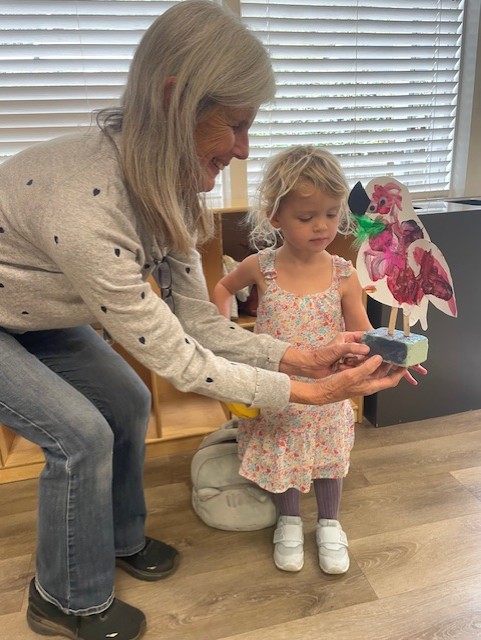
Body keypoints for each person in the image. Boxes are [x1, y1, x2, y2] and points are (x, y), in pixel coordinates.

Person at [0, 3, 411, 639]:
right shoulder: (88, 203)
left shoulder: (168, 188)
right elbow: (178, 356)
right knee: (81, 435)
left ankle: (114, 539)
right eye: (236, 126)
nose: (245, 148)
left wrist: (294, 358)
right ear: (174, 101)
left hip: (41, 311)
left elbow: (197, 318)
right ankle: (65, 599)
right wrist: (308, 393)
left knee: (129, 402)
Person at [213, 145, 425, 574]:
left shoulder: (344, 273)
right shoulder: (260, 267)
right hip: (281, 387)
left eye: (331, 214)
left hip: (331, 389)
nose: (322, 227)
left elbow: (364, 331)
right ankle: (289, 519)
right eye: (306, 218)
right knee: (283, 452)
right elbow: (220, 289)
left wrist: (392, 351)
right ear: (276, 217)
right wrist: (226, 338)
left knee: (329, 455)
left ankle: (329, 521)